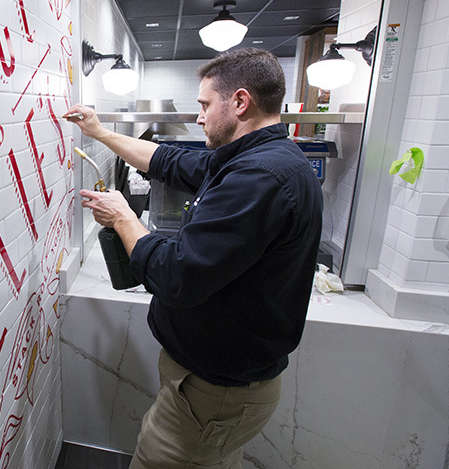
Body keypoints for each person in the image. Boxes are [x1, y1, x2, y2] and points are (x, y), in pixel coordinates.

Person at [64, 48, 323, 469]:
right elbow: (169, 161)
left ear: (240, 102)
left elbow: (176, 276)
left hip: (214, 394)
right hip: (214, 389)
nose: (199, 116)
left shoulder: (259, 178)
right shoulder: (258, 159)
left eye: (204, 105)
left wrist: (124, 218)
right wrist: (100, 132)